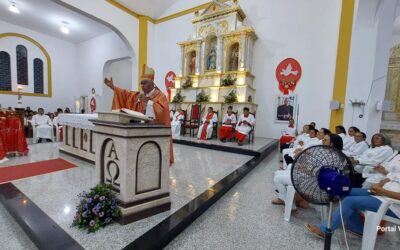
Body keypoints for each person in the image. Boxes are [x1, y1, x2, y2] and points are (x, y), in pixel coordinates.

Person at [104, 64, 174, 165]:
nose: (142, 86)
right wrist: (113, 87)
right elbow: (125, 94)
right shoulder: (138, 95)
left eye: (144, 83)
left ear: (152, 83)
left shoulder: (160, 96)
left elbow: (162, 113)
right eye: (141, 83)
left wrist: (148, 102)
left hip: (154, 135)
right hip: (139, 133)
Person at [305, 176, 400, 239]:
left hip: (393, 204)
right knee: (343, 191)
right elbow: (389, 177)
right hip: (381, 193)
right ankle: (357, 228)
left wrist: (381, 190)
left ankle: (325, 230)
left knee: (350, 201)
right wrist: (379, 185)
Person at [272, 134, 344, 210]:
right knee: (278, 172)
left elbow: (322, 174)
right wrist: (305, 166)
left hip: (313, 183)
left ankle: (287, 202)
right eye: (323, 139)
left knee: (277, 178)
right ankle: (292, 199)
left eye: (325, 140)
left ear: (332, 143)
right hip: (312, 179)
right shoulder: (332, 154)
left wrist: (306, 169)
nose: (322, 141)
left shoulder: (331, 157)